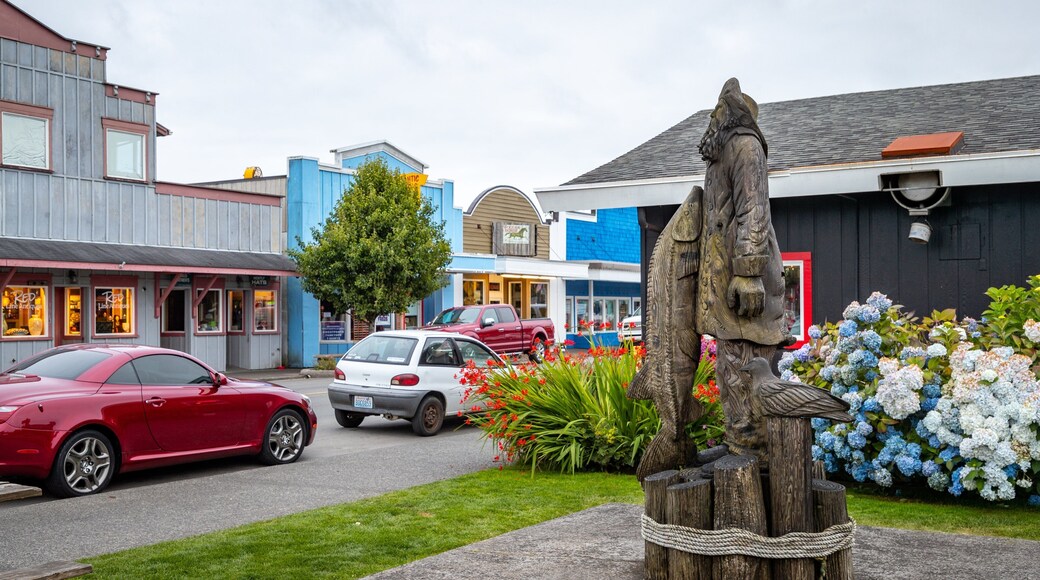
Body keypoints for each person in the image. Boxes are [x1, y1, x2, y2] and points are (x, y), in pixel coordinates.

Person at [694, 78, 789, 467]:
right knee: (731, 363)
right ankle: (739, 440)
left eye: (718, 111)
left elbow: (754, 211)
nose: (711, 118)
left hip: (745, 283)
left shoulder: (746, 147)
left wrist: (748, 272)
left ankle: (757, 451)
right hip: (724, 282)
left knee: (751, 365)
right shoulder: (722, 155)